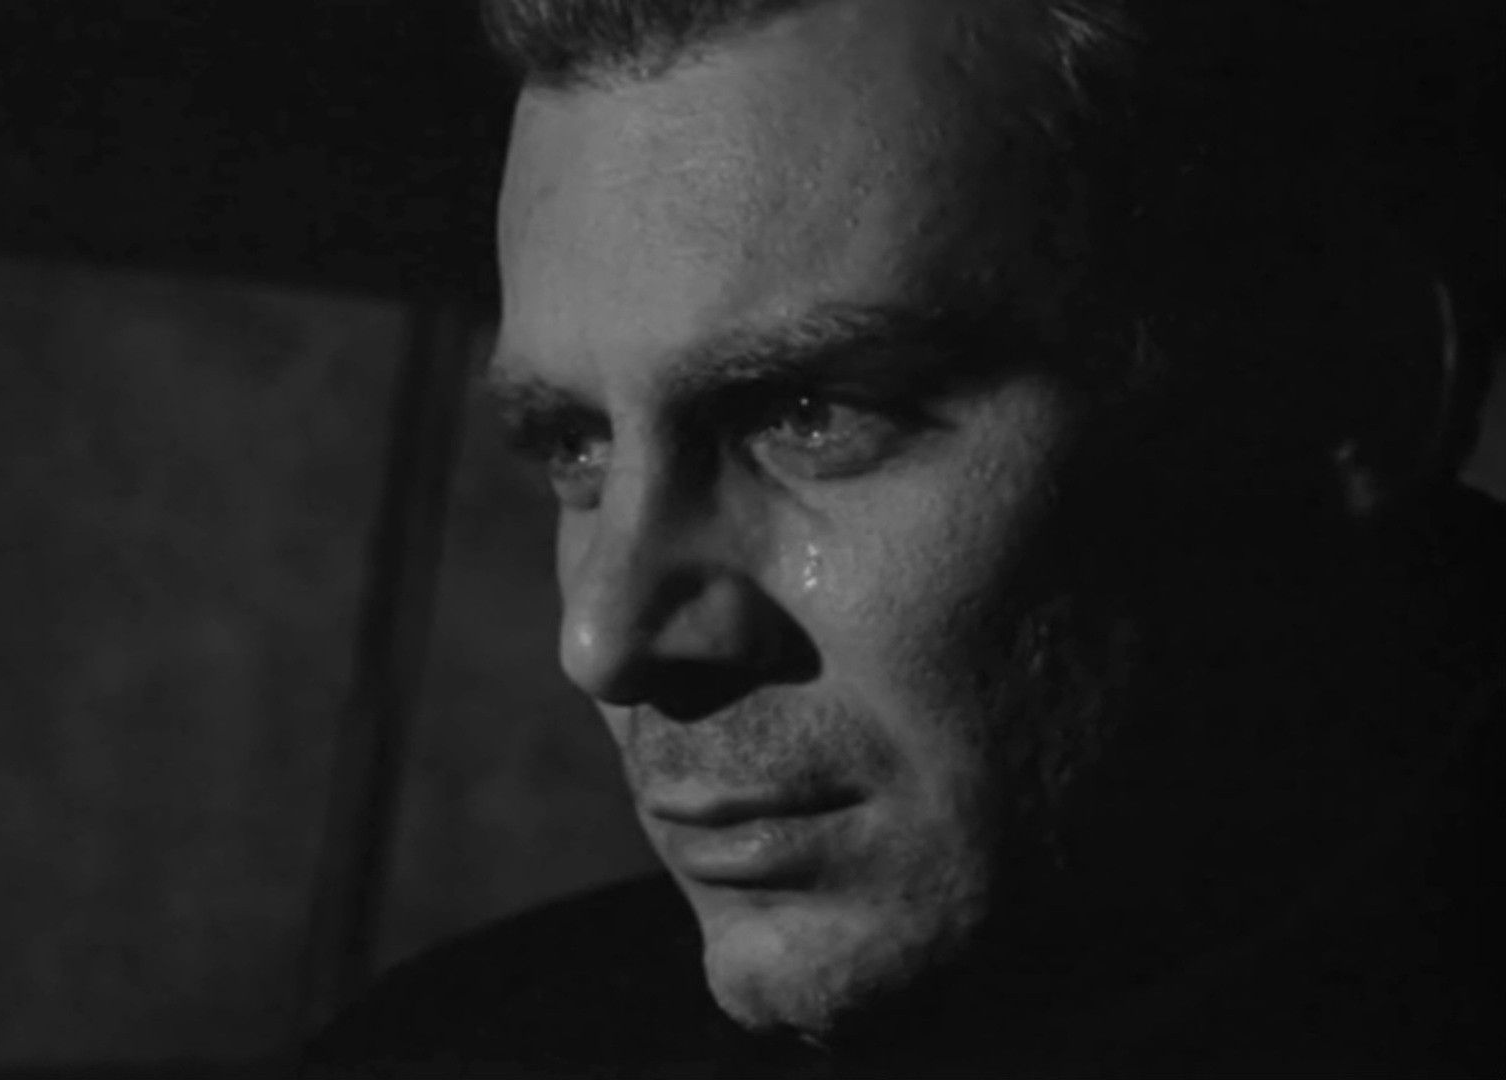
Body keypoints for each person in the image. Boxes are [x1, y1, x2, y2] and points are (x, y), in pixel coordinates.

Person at [302, 0, 1504, 1075]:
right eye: (575, 445)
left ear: (1345, 391)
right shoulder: (458, 1048)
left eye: (808, 415)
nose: (605, 640)